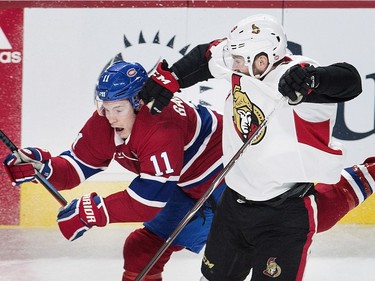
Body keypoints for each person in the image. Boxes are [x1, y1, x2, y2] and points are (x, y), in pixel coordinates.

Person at [138, 14, 365, 280]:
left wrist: (313, 79)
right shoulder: (243, 61)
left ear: (262, 59)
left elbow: (350, 81)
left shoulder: (296, 76)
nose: (230, 64)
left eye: (237, 60)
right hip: (233, 206)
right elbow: (206, 56)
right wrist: (172, 77)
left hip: (285, 216)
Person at [2, 60, 226, 281]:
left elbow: (149, 201)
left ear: (139, 102)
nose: (111, 117)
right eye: (106, 107)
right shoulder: (106, 121)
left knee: (234, 263)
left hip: (225, 183)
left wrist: (92, 212)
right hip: (185, 183)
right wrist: (43, 168)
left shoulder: (160, 126)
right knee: (141, 251)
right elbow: (75, 167)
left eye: (118, 108)